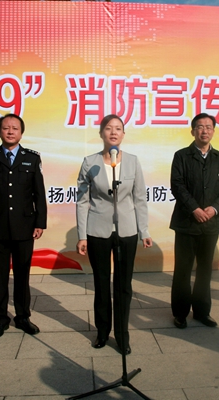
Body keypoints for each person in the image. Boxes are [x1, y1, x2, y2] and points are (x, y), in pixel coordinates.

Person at [76, 114, 152, 355]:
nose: (113, 132)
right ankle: (102, 332)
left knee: (123, 286)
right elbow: (82, 201)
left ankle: (122, 335)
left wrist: (144, 230)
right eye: (108, 128)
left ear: (123, 134)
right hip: (97, 230)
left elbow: (139, 198)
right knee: (101, 284)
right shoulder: (90, 162)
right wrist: (82, 235)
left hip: (126, 230)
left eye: (118, 128)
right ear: (101, 133)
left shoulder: (132, 162)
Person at [0, 113, 47, 338]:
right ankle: (0, 320)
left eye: (15, 128)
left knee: (22, 275)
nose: (10, 131)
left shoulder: (32, 159)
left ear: (21, 132)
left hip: (25, 226)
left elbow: (39, 193)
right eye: (6, 128)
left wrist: (40, 222)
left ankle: (23, 317)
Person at [169, 113, 219, 329]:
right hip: (187, 223)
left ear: (213, 131)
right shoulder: (181, 156)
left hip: (211, 224)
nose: (204, 130)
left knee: (205, 270)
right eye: (200, 127)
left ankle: (202, 311)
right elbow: (177, 185)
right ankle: (180, 313)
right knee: (183, 270)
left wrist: (214, 209)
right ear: (193, 131)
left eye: (208, 127)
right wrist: (194, 209)